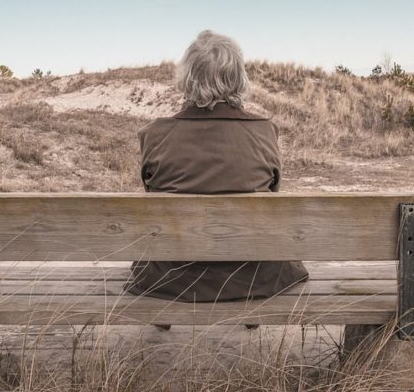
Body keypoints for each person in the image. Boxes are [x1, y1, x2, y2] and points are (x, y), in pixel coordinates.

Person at [124, 30, 309, 303]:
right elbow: (273, 195)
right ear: (238, 78)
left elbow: (152, 194)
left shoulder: (155, 134)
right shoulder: (264, 133)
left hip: (172, 279)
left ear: (187, 78)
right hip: (254, 276)